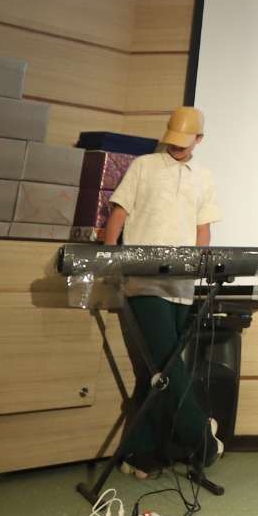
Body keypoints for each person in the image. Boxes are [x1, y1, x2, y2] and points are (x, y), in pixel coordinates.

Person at [98, 105, 223, 478]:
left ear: (199, 139)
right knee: (168, 366)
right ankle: (203, 440)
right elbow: (118, 214)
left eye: (186, 141)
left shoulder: (204, 177)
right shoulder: (144, 166)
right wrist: (108, 259)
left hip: (182, 285)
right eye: (174, 139)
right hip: (144, 281)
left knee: (154, 371)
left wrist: (198, 268)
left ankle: (141, 453)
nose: (178, 146)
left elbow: (203, 230)